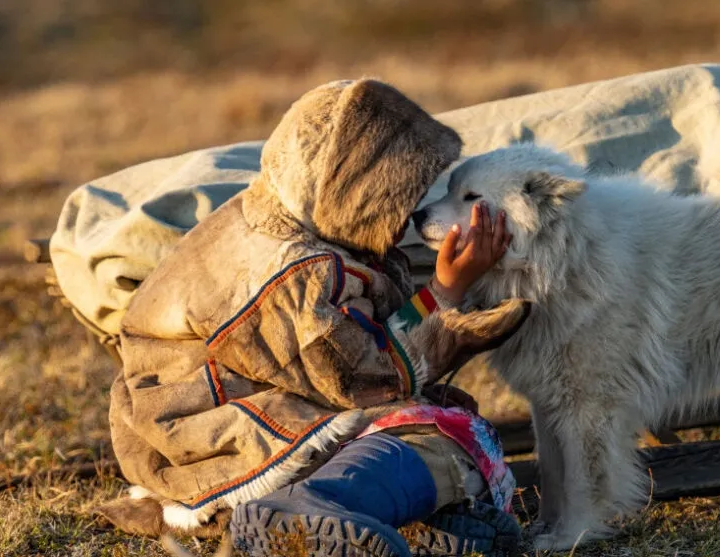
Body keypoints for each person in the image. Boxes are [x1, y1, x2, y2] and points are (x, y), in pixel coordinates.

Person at [98, 79, 531, 557]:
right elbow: (369, 379)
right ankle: (310, 508)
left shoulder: (283, 221)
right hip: (225, 444)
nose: (408, 210)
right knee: (444, 434)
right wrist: (446, 290)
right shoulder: (291, 276)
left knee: (452, 424)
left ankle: (388, 516)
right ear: (355, 191)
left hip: (227, 424)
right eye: (397, 192)